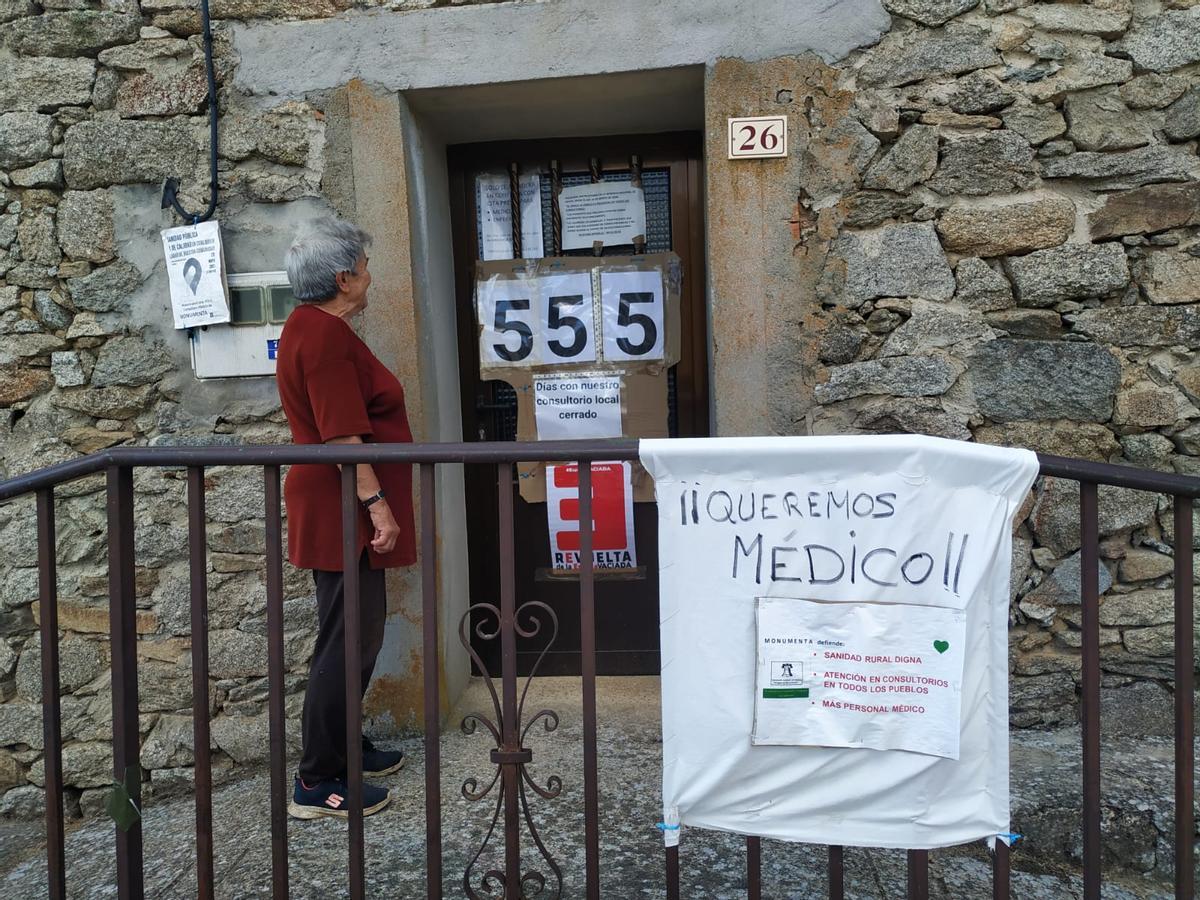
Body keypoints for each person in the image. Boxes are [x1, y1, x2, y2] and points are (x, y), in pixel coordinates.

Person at [275, 216, 416, 819]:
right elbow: (342, 436)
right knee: (348, 641)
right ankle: (317, 780)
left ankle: (345, 746)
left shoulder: (314, 328)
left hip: (336, 505)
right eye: (364, 265)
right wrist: (376, 505)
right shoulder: (325, 337)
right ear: (343, 277)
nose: (370, 276)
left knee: (358, 633)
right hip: (342, 508)